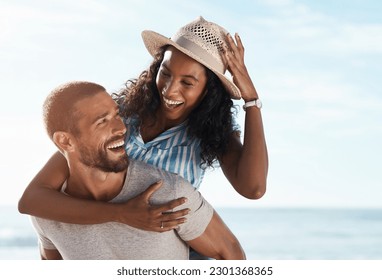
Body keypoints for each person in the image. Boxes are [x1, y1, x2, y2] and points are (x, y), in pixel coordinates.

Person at [19, 16, 268, 232]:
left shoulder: (211, 135)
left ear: (208, 91)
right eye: (166, 72)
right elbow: (33, 199)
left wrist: (251, 101)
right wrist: (121, 214)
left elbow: (253, 189)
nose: (170, 90)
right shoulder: (117, 115)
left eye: (187, 83)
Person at [30, 81, 245, 260]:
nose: (121, 128)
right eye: (102, 122)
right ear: (65, 141)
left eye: (117, 115)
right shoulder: (47, 216)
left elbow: (231, 254)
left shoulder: (169, 194)